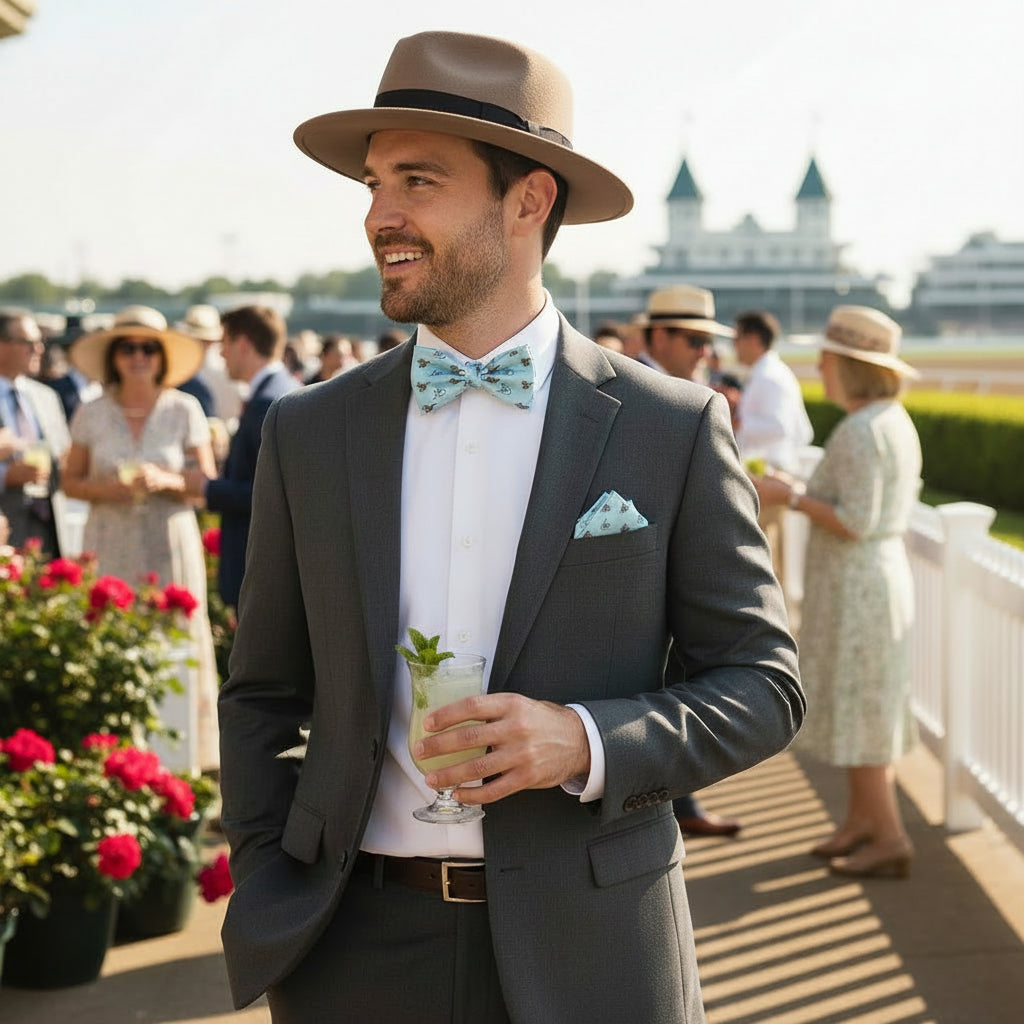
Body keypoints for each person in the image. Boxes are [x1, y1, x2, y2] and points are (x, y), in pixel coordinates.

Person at [218, 31, 803, 1024]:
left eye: (416, 181)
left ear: (527, 200)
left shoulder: (671, 427)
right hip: (349, 954)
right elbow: (263, 689)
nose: (379, 216)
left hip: (595, 952)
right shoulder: (308, 431)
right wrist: (269, 870)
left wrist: (583, 740)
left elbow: (763, 684)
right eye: (371, 184)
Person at [754, 305, 921, 879]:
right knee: (864, 708)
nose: (819, 368)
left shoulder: (862, 430)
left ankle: (889, 837)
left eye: (826, 359)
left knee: (862, 712)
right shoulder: (885, 419)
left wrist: (789, 496)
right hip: (871, 582)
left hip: (860, 590)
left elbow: (853, 519)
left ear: (850, 365)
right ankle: (862, 823)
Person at [62, 305, 221, 769]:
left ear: (161, 356)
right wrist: (108, 490)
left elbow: (204, 482)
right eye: (128, 347)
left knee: (175, 646)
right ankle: (113, 758)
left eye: (149, 347)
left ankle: (180, 761)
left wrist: (165, 480)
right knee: (112, 644)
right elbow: (68, 481)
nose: (138, 356)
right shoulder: (91, 412)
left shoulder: (184, 409)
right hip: (110, 542)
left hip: (168, 543)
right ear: (114, 355)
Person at [636, 286, 745, 837]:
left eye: (709, 340)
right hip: (640, 566)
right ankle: (670, 805)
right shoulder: (630, 386)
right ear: (660, 336)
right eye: (696, 339)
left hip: (686, 559)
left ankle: (680, 804)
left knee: (686, 675)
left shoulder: (691, 390)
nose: (705, 350)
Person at [183, 305, 297, 608]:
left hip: (261, 570)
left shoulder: (269, 402)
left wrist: (205, 487)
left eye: (224, 344)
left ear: (243, 344)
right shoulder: (279, 391)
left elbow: (271, 494)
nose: (221, 355)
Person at [0, 308, 71, 554]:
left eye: (41, 342)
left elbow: (64, 454)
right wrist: (5, 476)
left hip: (48, 528)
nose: (39, 350)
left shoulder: (45, 396)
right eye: (29, 343)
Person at [733, 311, 813, 474]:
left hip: (772, 471)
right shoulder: (767, 372)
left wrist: (736, 422)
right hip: (766, 470)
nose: (734, 345)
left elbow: (780, 427)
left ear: (753, 339)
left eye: (737, 339)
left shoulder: (769, 376)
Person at [642, 284, 733, 384]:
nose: (703, 352)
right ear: (660, 338)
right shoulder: (632, 388)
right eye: (695, 341)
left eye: (708, 341)